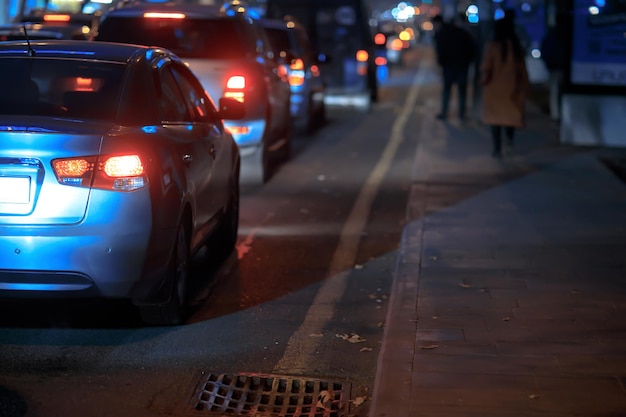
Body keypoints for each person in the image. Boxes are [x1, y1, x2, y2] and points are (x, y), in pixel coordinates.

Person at [480, 14, 530, 158]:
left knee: (495, 119)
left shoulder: (493, 46)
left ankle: (496, 148)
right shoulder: (515, 47)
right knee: (510, 117)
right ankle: (509, 142)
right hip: (511, 87)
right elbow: (522, 68)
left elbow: (486, 67)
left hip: (494, 88)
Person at [431, 14, 476, 122]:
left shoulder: (442, 34)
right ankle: (461, 114)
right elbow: (471, 48)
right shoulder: (462, 33)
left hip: (449, 66)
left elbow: (440, 51)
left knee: (447, 90)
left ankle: (445, 113)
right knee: (462, 90)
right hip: (462, 65)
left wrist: (441, 64)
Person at [540, 12, 568, 122]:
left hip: (555, 67)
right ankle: (558, 115)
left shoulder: (553, 34)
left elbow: (545, 50)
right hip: (560, 67)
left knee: (555, 92)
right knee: (558, 92)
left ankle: (556, 115)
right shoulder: (565, 34)